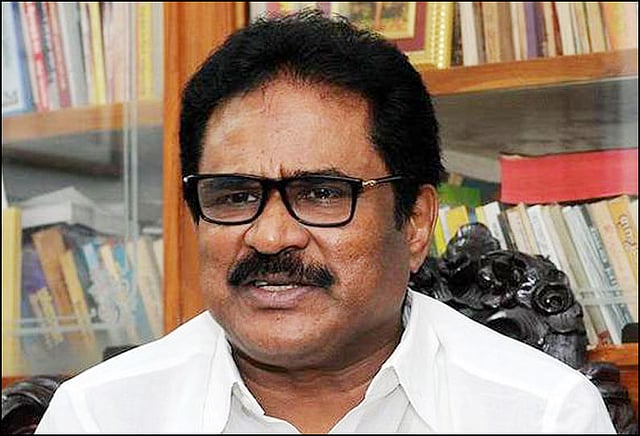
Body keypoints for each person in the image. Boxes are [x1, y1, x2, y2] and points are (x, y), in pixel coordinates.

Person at [36, 10, 615, 434]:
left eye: (320, 194)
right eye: (234, 195)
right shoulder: (101, 417)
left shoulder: (540, 414)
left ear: (415, 221)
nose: (269, 237)